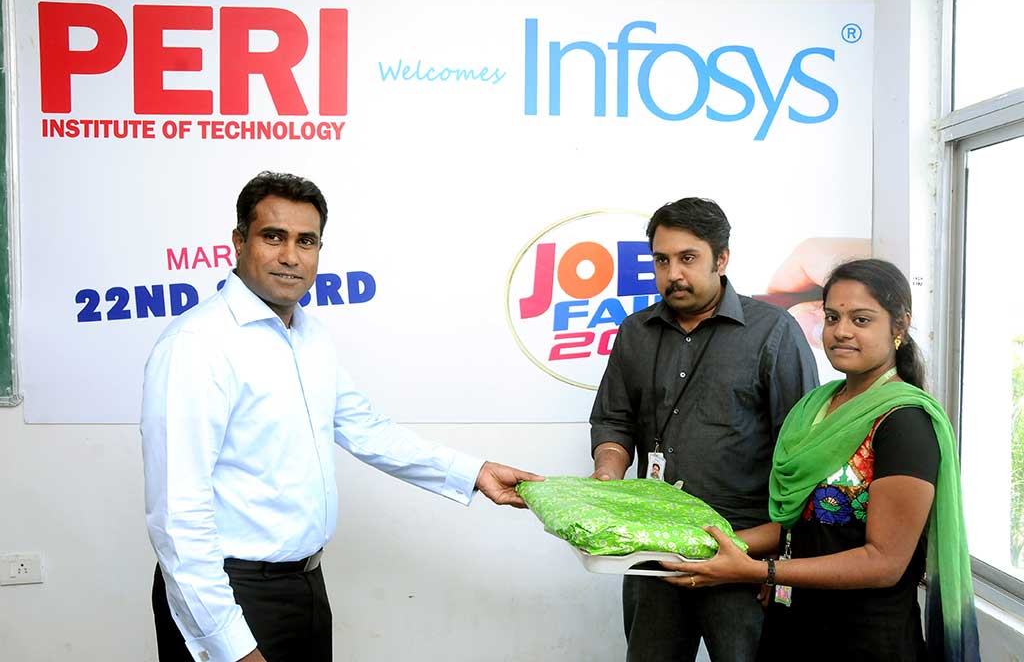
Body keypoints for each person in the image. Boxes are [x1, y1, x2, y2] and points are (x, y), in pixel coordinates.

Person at [141, 171, 543, 662]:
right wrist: (230, 645)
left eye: (306, 241)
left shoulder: (310, 337)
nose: (291, 256)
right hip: (229, 598)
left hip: (305, 588)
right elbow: (178, 519)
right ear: (239, 242)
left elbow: (367, 430)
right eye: (274, 237)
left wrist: (475, 473)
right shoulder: (197, 346)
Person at [664, 259, 979, 662]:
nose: (841, 331)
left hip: (862, 640)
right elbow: (799, 524)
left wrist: (757, 571)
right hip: (791, 627)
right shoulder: (815, 407)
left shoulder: (904, 423)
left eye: (861, 319)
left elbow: (884, 562)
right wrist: (706, 545)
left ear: (899, 326)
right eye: (832, 317)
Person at [589, 197, 818, 661]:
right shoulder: (635, 332)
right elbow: (614, 420)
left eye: (688, 259)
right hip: (652, 550)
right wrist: (608, 472)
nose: (673, 274)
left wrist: (778, 564)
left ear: (722, 258)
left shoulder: (773, 332)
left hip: (740, 555)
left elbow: (803, 454)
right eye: (662, 260)